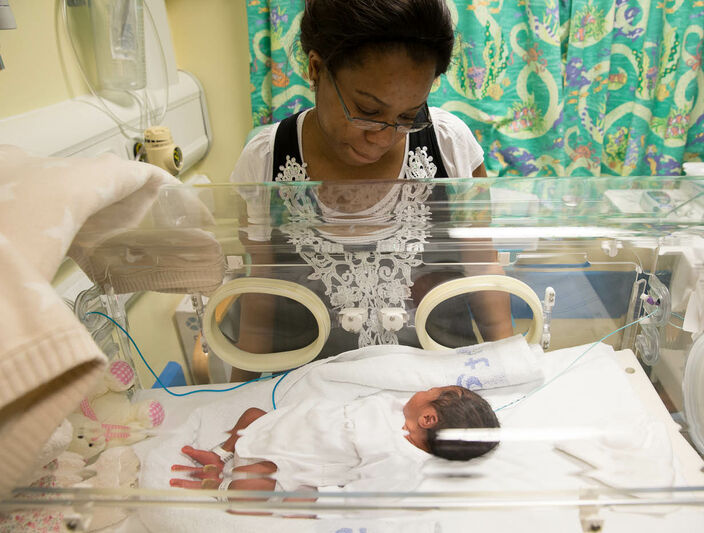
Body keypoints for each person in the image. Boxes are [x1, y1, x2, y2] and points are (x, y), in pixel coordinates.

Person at [227, 0, 513, 381]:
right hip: (311, 394)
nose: (384, 136)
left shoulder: (449, 145)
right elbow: (259, 286)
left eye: (408, 115)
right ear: (316, 70)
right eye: (368, 110)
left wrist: (511, 372)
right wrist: (239, 398)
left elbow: (482, 267)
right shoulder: (266, 160)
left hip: (437, 384)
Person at [169, 386, 500, 496]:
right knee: (252, 415)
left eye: (435, 391)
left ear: (428, 418)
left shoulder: (400, 456)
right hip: (288, 423)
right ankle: (222, 453)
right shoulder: (397, 409)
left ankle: (218, 486)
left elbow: (367, 490)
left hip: (292, 459)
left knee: (253, 485)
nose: (426, 388)